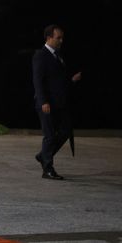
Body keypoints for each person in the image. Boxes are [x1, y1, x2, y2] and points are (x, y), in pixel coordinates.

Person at [32, 24, 81, 180]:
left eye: (62, 38)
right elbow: (38, 81)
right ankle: (47, 169)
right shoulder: (41, 55)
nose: (61, 41)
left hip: (59, 103)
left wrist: (71, 80)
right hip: (46, 103)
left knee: (66, 130)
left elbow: (57, 81)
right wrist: (43, 101)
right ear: (49, 38)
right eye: (58, 37)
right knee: (49, 135)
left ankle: (43, 155)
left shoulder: (58, 56)